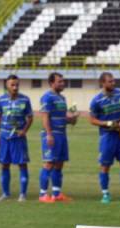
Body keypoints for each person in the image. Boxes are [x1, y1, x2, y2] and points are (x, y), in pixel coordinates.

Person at [89, 72, 120, 204]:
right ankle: (105, 194)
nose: (113, 83)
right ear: (102, 83)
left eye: (114, 81)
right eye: (110, 81)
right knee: (105, 165)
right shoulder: (97, 100)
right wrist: (106, 123)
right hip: (107, 136)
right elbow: (92, 120)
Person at [38, 72, 79, 202]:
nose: (63, 83)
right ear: (51, 83)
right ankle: (43, 194)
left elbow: (64, 118)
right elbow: (45, 117)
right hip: (52, 134)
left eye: (63, 81)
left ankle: (56, 194)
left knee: (59, 164)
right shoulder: (47, 97)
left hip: (62, 134)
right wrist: (49, 134)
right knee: (49, 163)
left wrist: (72, 118)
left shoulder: (62, 98)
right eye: (59, 81)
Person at [0, 74, 33, 202]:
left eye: (17, 85)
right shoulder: (1, 100)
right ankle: (5, 193)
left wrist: (24, 130)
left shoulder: (25, 100)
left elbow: (30, 117)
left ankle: (22, 194)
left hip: (18, 138)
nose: (15, 87)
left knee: (22, 165)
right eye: (12, 85)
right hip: (4, 137)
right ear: (7, 85)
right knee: (4, 165)